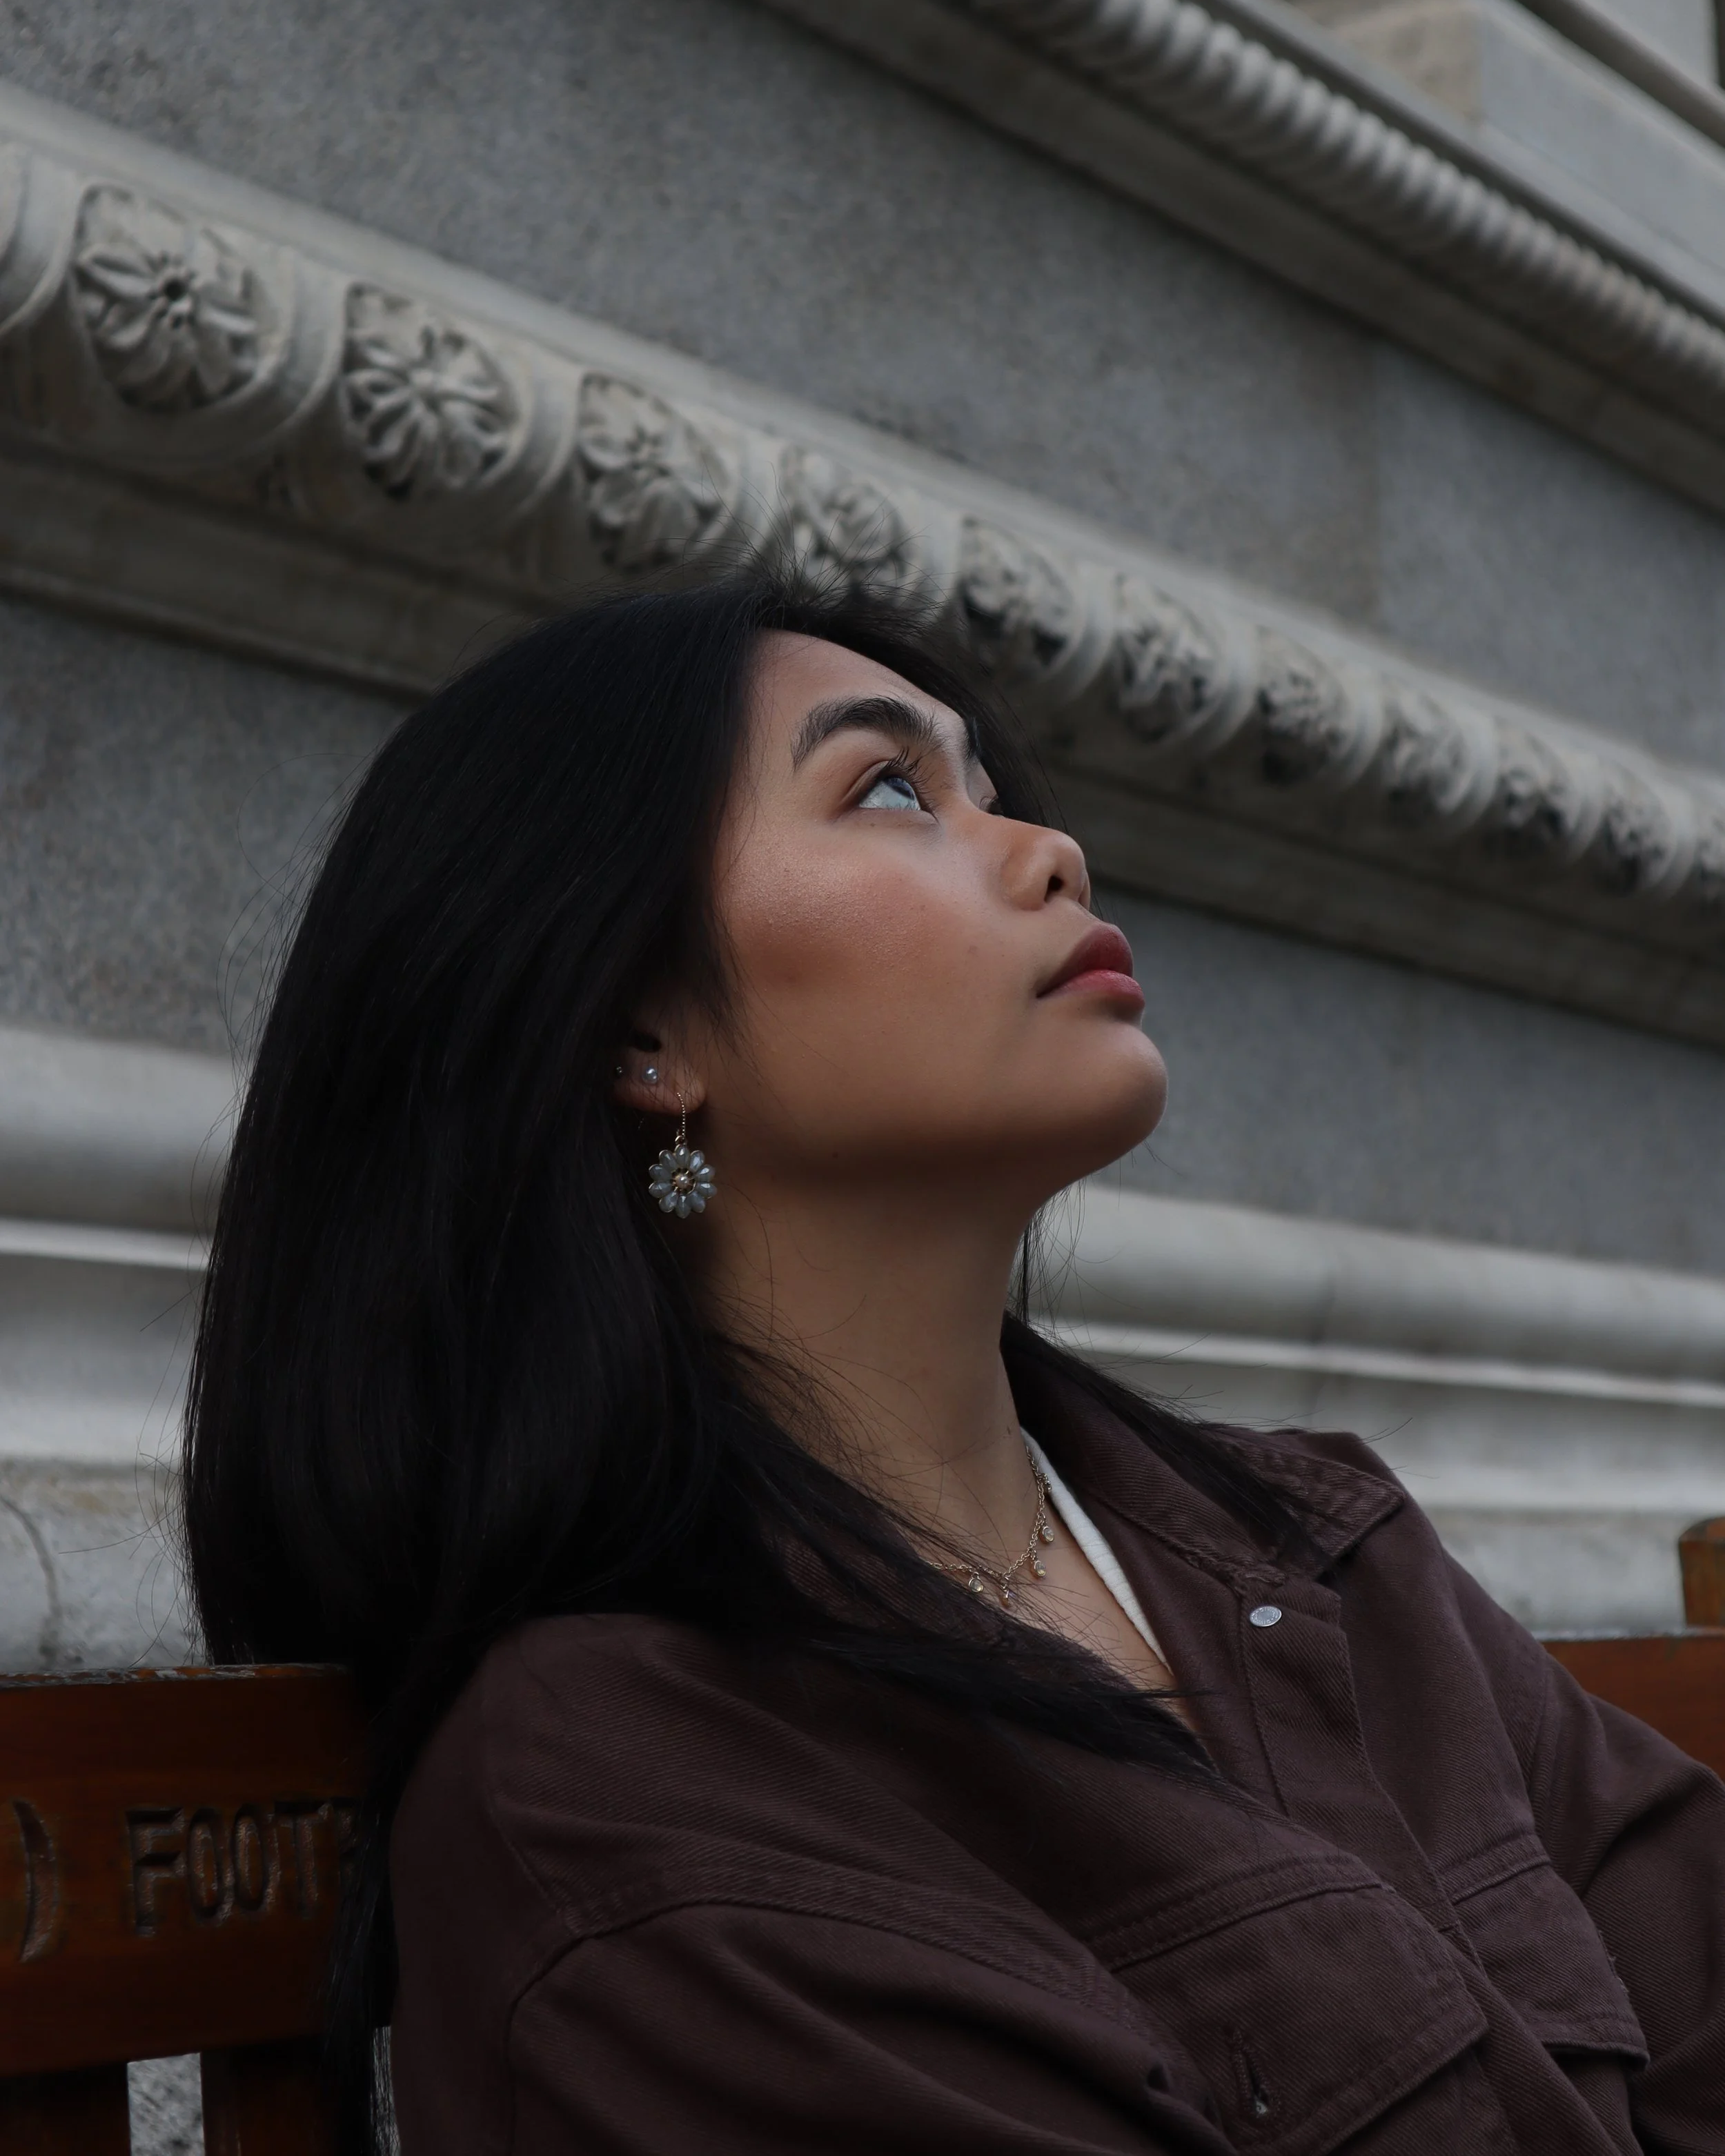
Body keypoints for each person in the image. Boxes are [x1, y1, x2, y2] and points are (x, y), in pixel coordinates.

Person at [184, 577, 1725, 2155]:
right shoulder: (623, 1783)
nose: (1046, 849)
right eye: (890, 789)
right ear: (644, 1028)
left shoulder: (1313, 1551)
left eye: (991, 786)